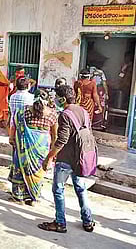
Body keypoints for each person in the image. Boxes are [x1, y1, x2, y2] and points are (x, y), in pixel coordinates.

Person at [38, 85, 95, 234]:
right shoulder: (84, 111)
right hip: (80, 159)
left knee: (58, 190)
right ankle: (88, 221)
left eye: (57, 97)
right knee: (81, 189)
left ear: (62, 99)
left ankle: (60, 223)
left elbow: (61, 140)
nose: (55, 99)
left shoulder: (65, 115)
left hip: (65, 160)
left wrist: (49, 158)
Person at [8, 90, 58, 206]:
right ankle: (33, 197)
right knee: (37, 171)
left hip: (23, 146)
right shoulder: (52, 114)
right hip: (41, 149)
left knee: (20, 168)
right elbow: (55, 135)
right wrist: (52, 152)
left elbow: (14, 126)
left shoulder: (22, 111)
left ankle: (18, 196)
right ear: (47, 101)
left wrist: (11, 138)